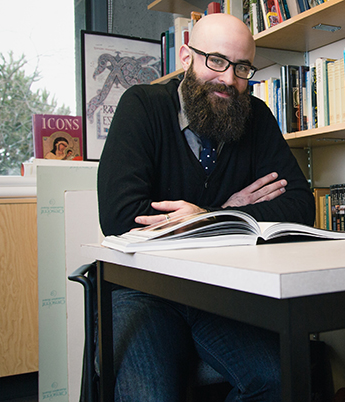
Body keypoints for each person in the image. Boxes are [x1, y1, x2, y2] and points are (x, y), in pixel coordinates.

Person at [96, 13, 315, 402]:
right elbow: (121, 216)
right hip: (143, 290)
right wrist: (223, 214)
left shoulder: (256, 116)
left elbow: (300, 205)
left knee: (282, 382)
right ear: (186, 56)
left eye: (242, 67)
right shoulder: (141, 107)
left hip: (220, 291)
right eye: (216, 60)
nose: (229, 79)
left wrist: (212, 217)